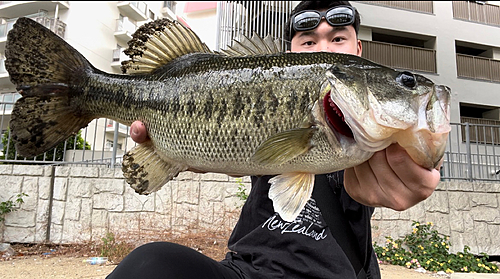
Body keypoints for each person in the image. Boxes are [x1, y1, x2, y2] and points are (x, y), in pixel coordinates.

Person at [107, 1, 441, 278]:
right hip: (246, 270)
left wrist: (422, 163)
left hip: (339, 272)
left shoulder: (382, 141)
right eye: (308, 43)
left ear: (358, 53)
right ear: (290, 55)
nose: (323, 47)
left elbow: (423, 156)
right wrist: (177, 151)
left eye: (338, 39)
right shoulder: (290, 94)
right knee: (149, 265)